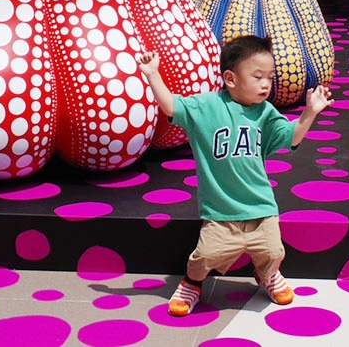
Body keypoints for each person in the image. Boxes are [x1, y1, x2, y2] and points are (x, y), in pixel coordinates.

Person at [139, 36, 333, 317]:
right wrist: (153, 75)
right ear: (230, 78)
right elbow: (171, 106)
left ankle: (267, 274)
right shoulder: (206, 107)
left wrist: (310, 112)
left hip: (260, 206)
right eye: (257, 76)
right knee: (205, 256)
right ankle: (192, 283)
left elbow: (291, 137)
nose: (266, 84)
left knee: (272, 251)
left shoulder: (266, 113)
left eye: (269, 77)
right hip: (220, 211)